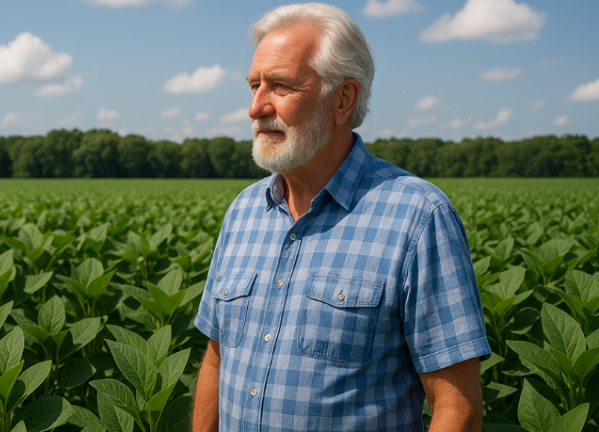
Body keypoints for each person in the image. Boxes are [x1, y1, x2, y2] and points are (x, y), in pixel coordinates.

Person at [192, 3, 491, 432]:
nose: (256, 107)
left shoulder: (418, 217)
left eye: (281, 86)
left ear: (343, 99)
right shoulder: (243, 212)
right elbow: (217, 359)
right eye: (255, 85)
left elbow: (458, 408)